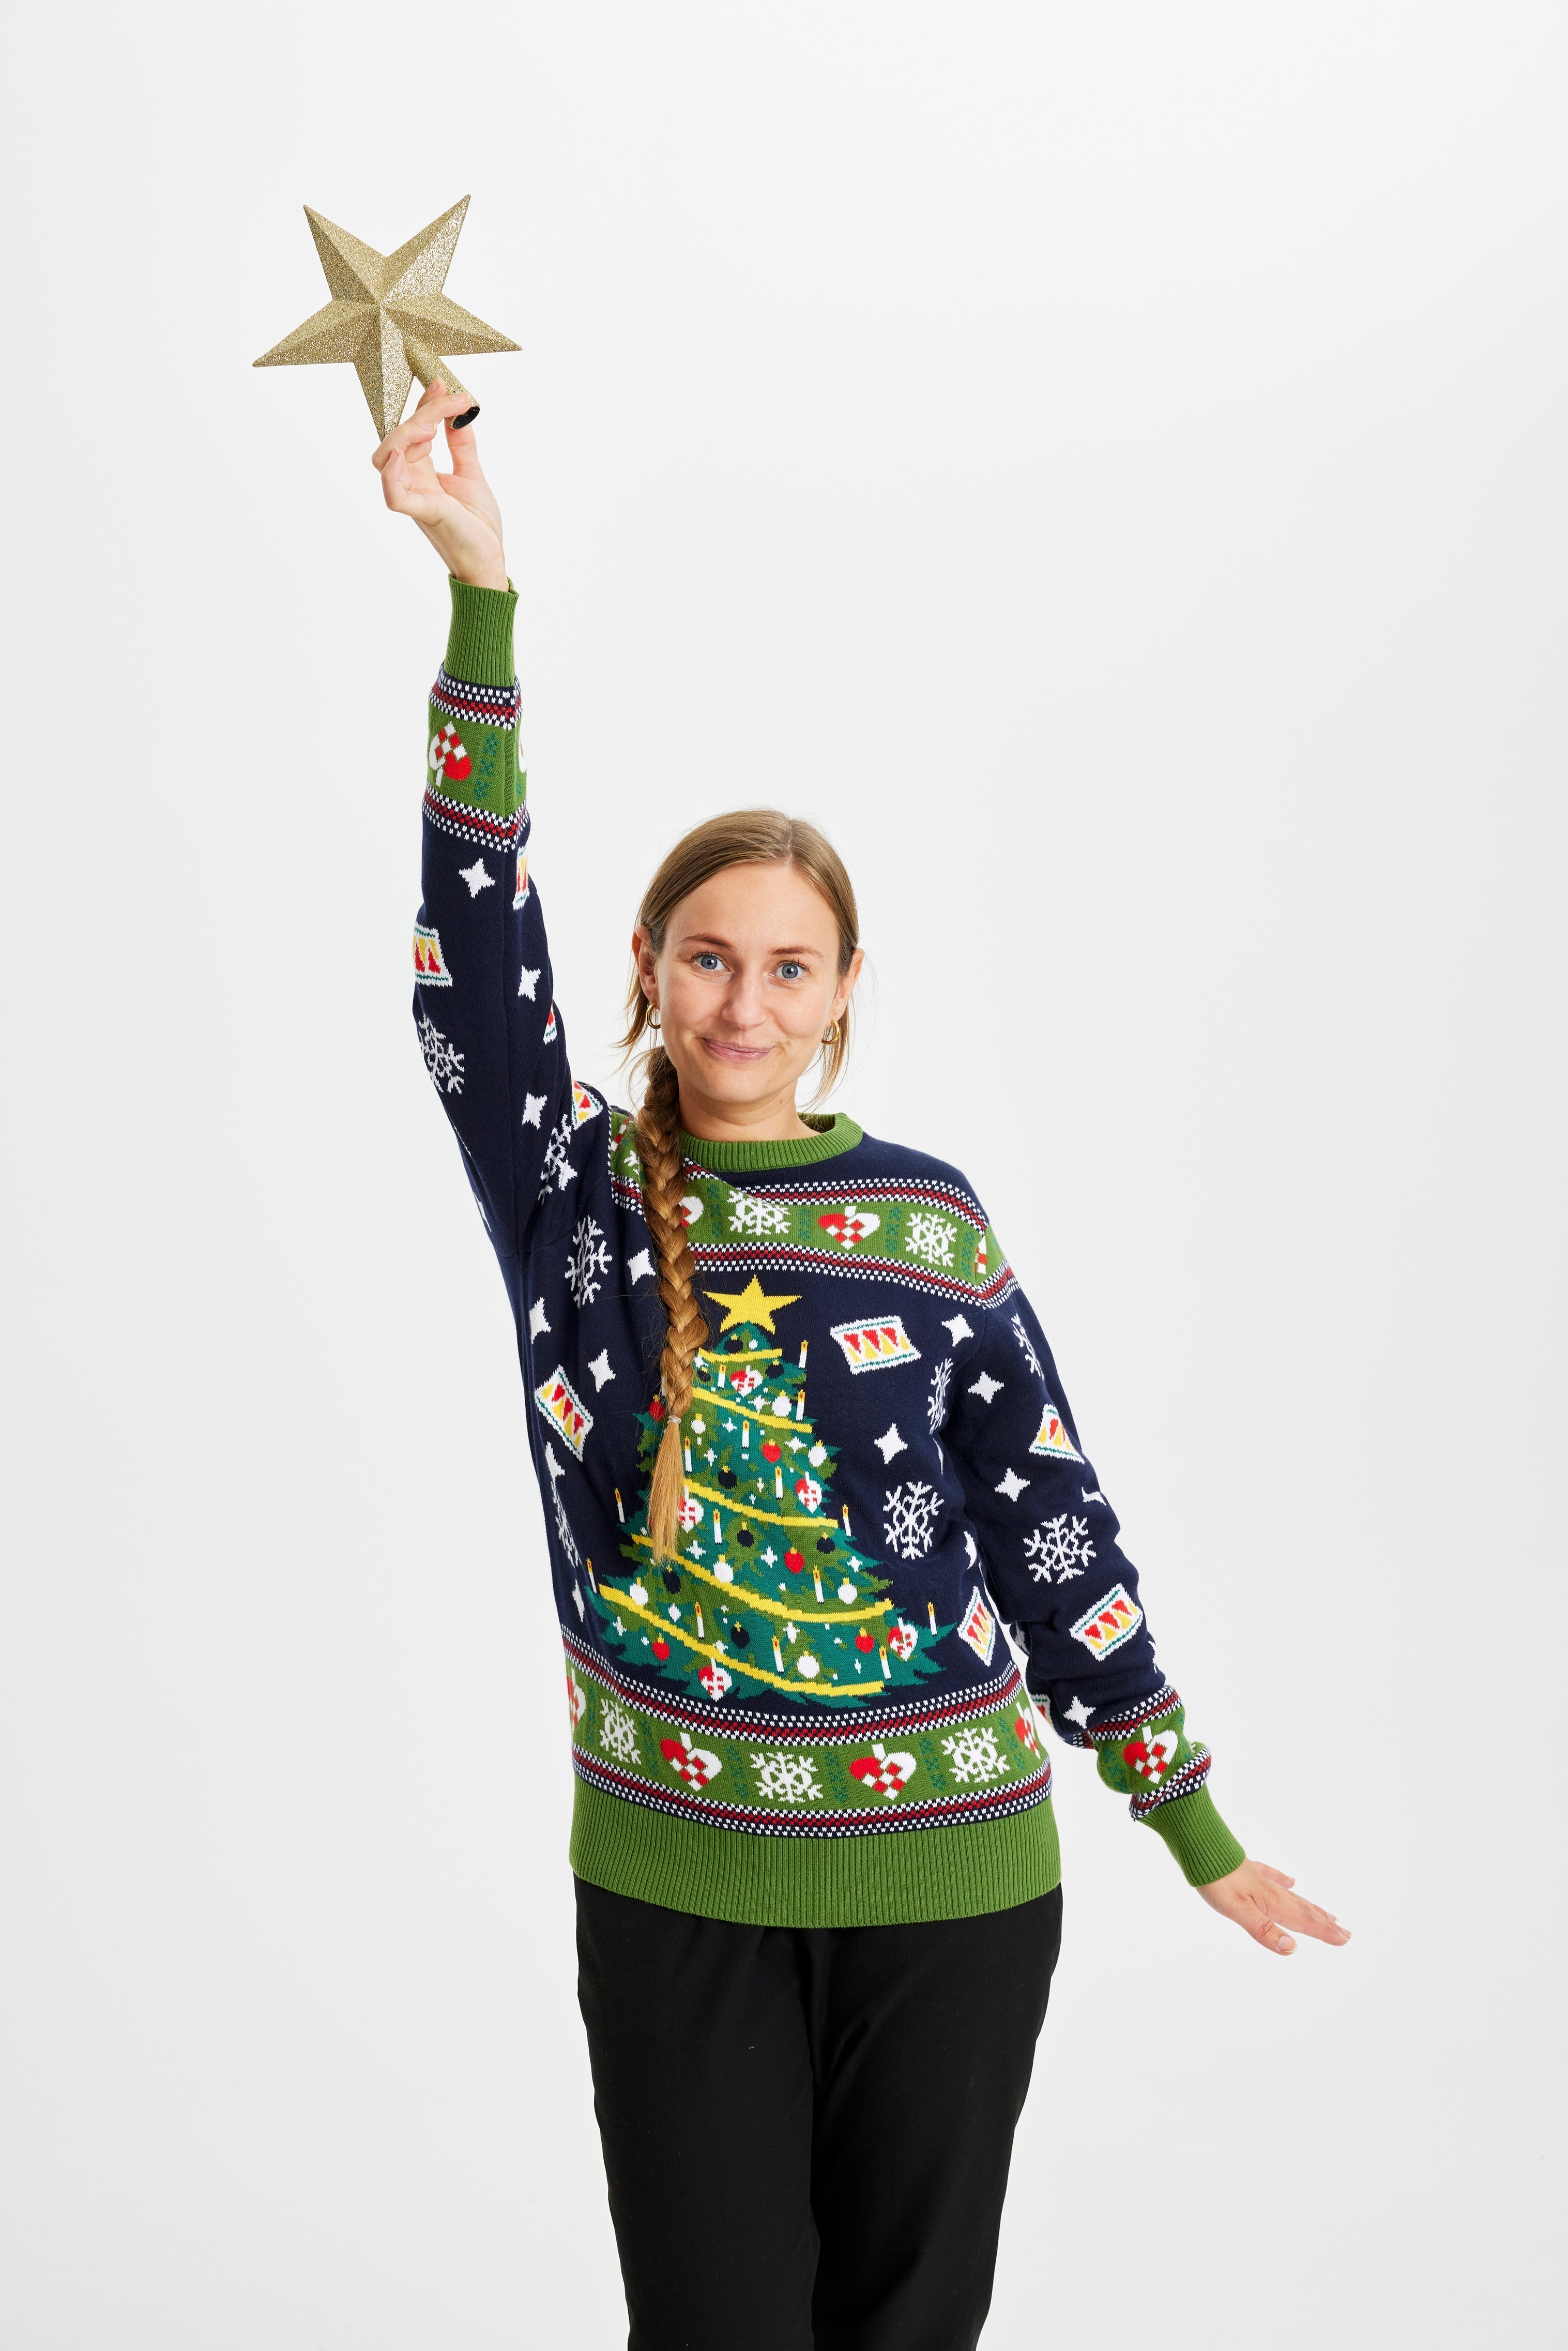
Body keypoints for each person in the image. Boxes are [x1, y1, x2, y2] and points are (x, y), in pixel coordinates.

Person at [373, 381, 1349, 2351]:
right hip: (677, 1885)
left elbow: (1045, 1516)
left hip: (954, 1883)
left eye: (790, 962)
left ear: (840, 989)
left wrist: (1188, 1819)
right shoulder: (573, 1191)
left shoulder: (928, 1220)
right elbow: (468, 969)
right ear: (647, 962)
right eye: (708, 952)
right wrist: (481, 603)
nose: (745, 997)